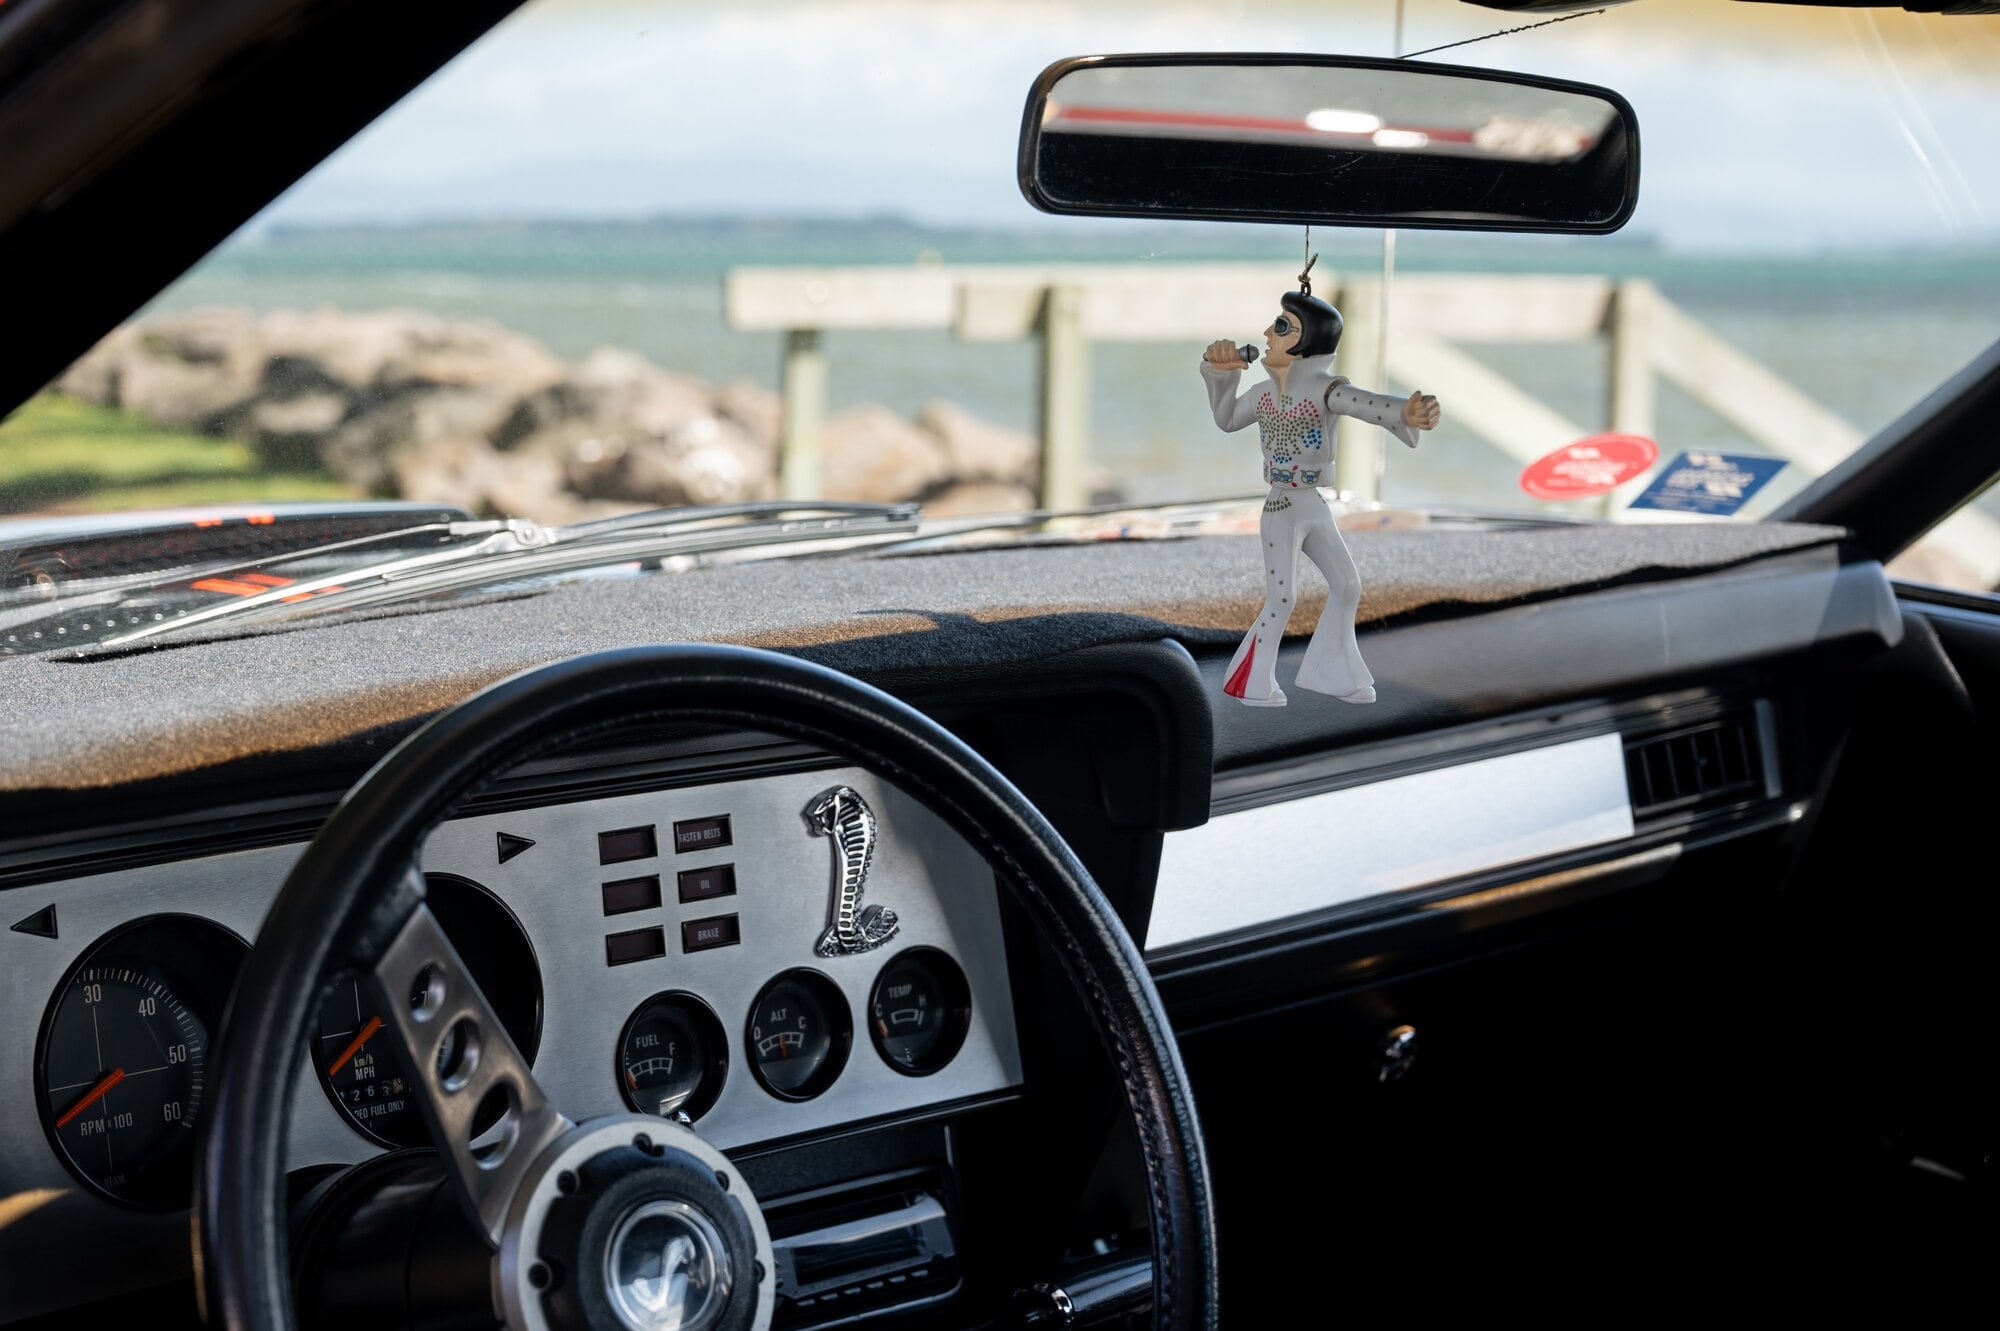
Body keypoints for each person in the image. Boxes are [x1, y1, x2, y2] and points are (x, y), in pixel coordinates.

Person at [1201, 289, 1441, 706]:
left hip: (1310, 503)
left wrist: (1404, 412)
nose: (1267, 334)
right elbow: (1225, 419)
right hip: (1280, 505)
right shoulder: (1261, 394)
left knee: (1347, 584)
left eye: (1281, 326)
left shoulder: (1325, 389)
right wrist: (1219, 372)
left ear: (1305, 342)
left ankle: (1332, 675)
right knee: (1283, 596)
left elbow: (1364, 404)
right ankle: (1252, 683)